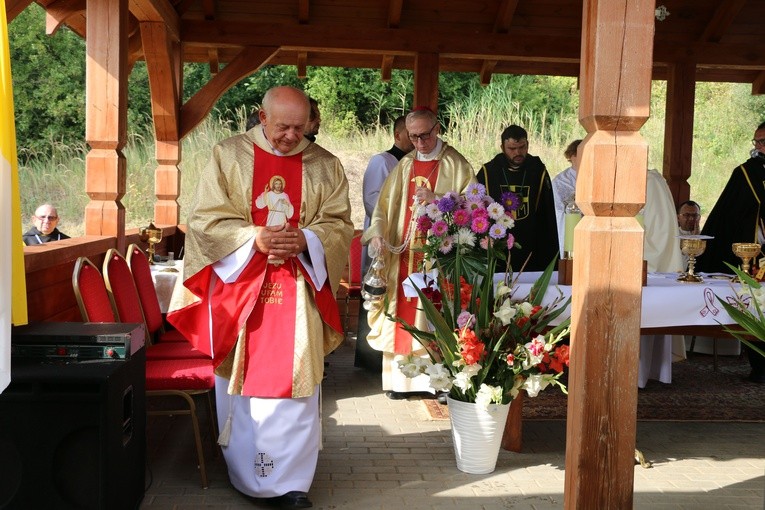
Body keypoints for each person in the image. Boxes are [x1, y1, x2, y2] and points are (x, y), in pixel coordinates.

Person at [167, 86, 354, 508]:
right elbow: (204, 221)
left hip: (298, 290)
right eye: (282, 126)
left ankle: (292, 483)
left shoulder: (324, 165)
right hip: (242, 292)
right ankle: (247, 474)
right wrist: (254, 238)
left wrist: (307, 239)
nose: (291, 136)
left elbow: (339, 224)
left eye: (299, 127)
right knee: (245, 382)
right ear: (261, 117)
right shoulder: (228, 155)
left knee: (296, 383)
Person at [362, 107, 475, 399]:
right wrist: (376, 235)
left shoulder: (456, 164)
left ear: (437, 128)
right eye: (413, 137)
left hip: (439, 256)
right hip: (403, 253)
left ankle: (436, 382)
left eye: (425, 135)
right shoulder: (405, 165)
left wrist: (437, 199)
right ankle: (401, 383)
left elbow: (474, 207)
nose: (420, 143)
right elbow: (384, 207)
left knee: (435, 312)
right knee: (403, 311)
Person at [696, 121, 765, 383]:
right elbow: (731, 215)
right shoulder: (747, 173)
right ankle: (760, 366)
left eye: (763, 142)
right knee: (756, 307)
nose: (758, 147)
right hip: (758, 257)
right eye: (756, 141)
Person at [355, 115, 413, 372]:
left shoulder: (417, 163)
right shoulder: (382, 161)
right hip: (384, 239)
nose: (414, 139)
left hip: (407, 241)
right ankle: (370, 360)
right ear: (397, 135)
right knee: (376, 294)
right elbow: (372, 201)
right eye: (410, 134)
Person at [477, 125, 559, 272]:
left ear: (527, 145)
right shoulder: (489, 171)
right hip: (499, 242)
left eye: (522, 147)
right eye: (512, 149)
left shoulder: (537, 170)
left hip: (531, 243)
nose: (518, 152)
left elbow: (547, 214)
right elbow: (478, 210)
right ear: (502, 147)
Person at [552, 139, 582, 257]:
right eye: (581, 154)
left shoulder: (597, 177)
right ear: (572, 156)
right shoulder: (560, 181)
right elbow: (558, 209)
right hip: (569, 230)